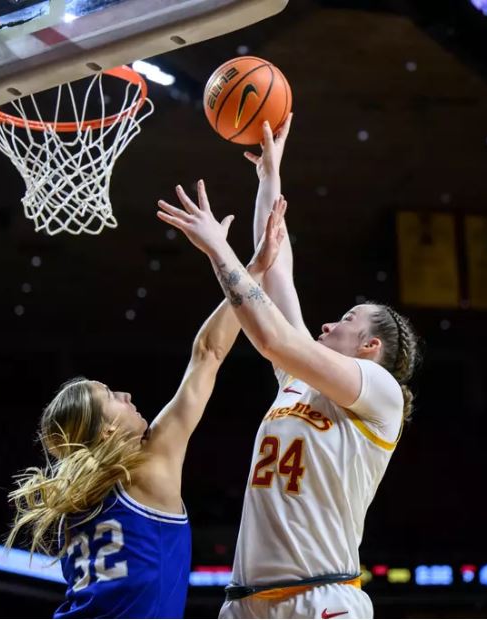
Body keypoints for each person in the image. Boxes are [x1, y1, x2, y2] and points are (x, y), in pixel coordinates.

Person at [155, 119, 421, 619]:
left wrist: (218, 249)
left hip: (320, 600)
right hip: (246, 603)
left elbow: (269, 334)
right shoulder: (298, 380)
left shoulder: (380, 391)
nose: (328, 322)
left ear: (370, 346)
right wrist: (269, 178)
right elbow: (275, 266)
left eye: (346, 320)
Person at [4, 199, 288, 619]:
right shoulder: (147, 466)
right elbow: (208, 353)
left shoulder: (73, 506)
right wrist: (252, 267)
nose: (127, 395)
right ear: (103, 433)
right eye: (111, 397)